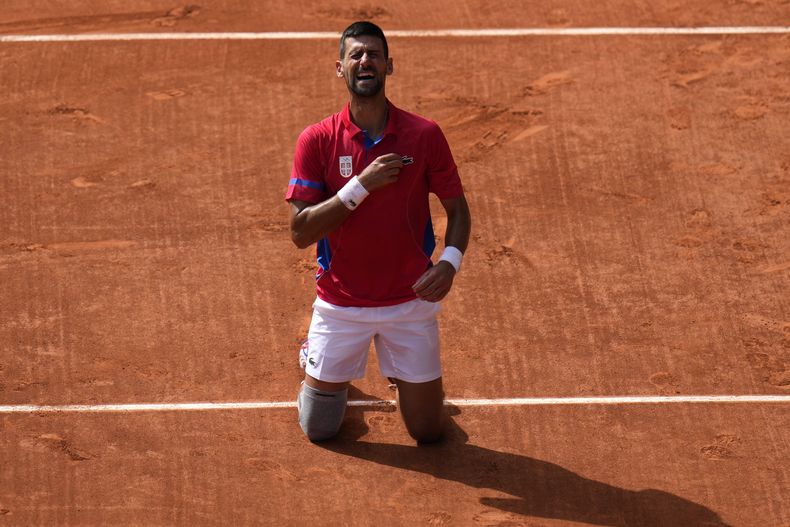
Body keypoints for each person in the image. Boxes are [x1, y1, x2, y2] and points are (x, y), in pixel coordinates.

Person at [286, 21, 471, 444]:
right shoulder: (317, 140)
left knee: (428, 432)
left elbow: (458, 210)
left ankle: (409, 383)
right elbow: (300, 232)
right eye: (356, 55)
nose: (365, 60)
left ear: (390, 66)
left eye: (373, 54)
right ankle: (312, 356)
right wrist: (360, 186)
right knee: (319, 428)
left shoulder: (424, 135)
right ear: (340, 68)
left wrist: (449, 263)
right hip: (340, 304)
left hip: (410, 300)